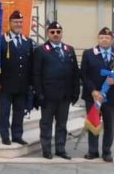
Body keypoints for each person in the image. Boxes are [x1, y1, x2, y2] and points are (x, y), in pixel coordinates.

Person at [81, 27, 114, 162]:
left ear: (111, 40)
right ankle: (93, 151)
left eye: (107, 38)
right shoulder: (89, 54)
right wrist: (93, 91)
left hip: (110, 97)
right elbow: (83, 75)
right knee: (93, 123)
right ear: (98, 39)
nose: (104, 40)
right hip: (93, 96)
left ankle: (107, 151)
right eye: (102, 37)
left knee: (109, 125)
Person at [33, 21, 80, 160]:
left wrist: (76, 91)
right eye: (52, 32)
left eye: (58, 32)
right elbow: (36, 74)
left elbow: (75, 73)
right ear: (48, 33)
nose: (55, 35)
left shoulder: (69, 49)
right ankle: (46, 149)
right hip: (48, 95)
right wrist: (38, 92)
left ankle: (60, 148)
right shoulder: (41, 50)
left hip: (65, 95)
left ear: (61, 34)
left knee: (62, 124)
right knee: (46, 123)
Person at [0, 10, 34, 145]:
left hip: (22, 85)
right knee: (4, 112)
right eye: (16, 22)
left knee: (19, 112)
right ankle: (5, 135)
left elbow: (30, 64)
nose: (18, 24)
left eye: (20, 22)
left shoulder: (28, 41)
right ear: (10, 23)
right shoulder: (1, 41)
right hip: (5, 84)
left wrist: (30, 84)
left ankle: (17, 135)